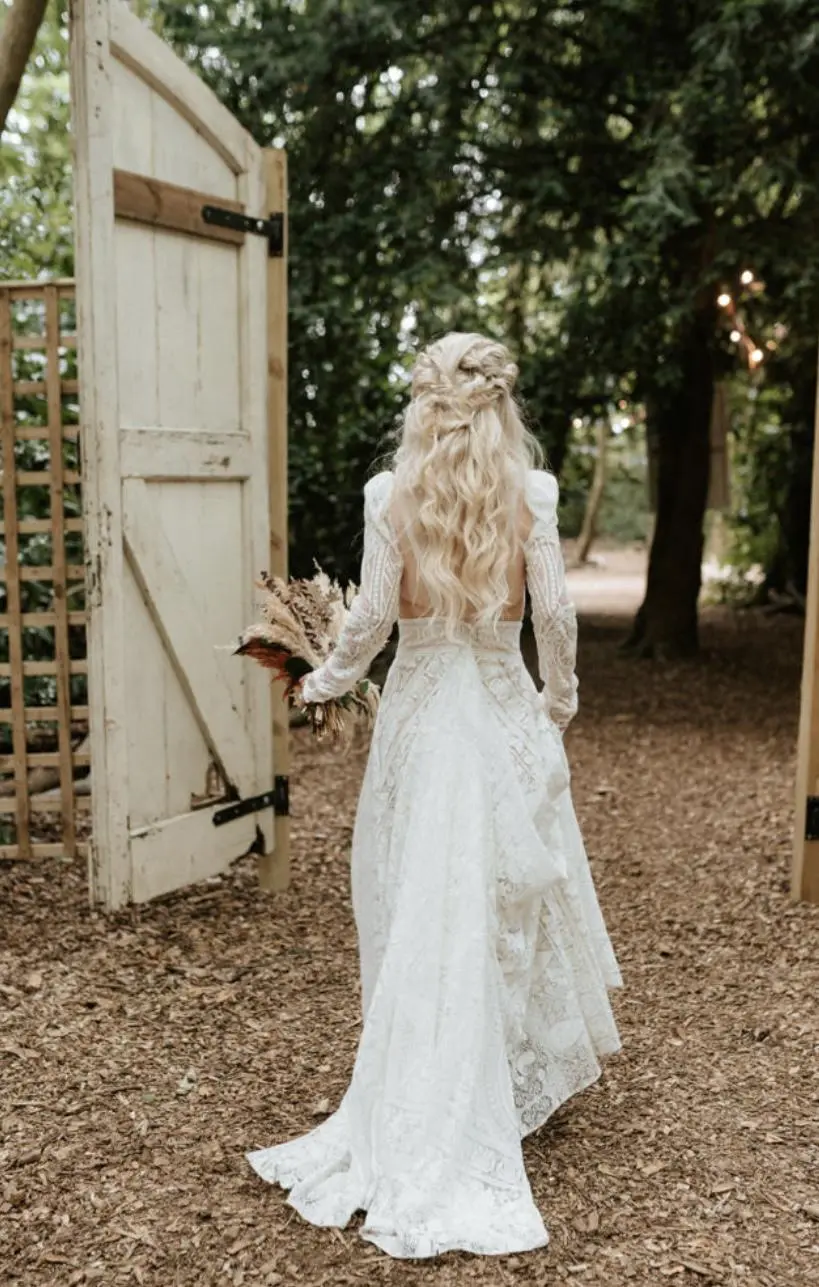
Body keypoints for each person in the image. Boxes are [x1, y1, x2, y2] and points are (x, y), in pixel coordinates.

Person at [247, 332, 623, 1258]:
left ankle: (440, 1074)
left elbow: (372, 618)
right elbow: (558, 616)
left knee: (418, 892)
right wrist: (557, 704)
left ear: (422, 406)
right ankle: (490, 1071)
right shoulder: (529, 495)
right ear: (500, 406)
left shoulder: (390, 495)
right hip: (498, 708)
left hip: (420, 713)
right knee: (501, 889)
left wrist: (325, 681)